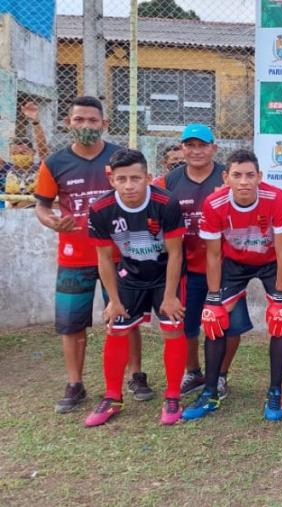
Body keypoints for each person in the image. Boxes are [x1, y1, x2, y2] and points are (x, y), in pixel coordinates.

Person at [34, 96, 150, 413]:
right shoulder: (54, 163)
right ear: (68, 123)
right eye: (79, 120)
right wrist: (52, 221)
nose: (86, 126)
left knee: (126, 318)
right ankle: (75, 384)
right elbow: (42, 206)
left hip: (119, 255)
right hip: (75, 256)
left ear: (104, 124)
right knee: (71, 324)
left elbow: (142, 195)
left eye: (92, 120)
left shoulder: (120, 158)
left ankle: (136, 375)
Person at [188, 149, 282, 422]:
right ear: (226, 178)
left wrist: (281, 297)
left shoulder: (276, 198)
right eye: (237, 175)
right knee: (214, 319)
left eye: (250, 175)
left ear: (260, 176)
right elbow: (213, 255)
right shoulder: (214, 203)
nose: (244, 181)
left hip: (271, 261)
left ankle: (274, 392)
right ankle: (211, 392)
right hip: (234, 264)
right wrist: (213, 298)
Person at [84, 149, 186, 427]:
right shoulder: (101, 209)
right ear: (112, 180)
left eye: (135, 178)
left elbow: (176, 253)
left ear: (148, 178)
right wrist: (113, 300)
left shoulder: (167, 203)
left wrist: (169, 296)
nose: (129, 185)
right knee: (116, 327)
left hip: (166, 274)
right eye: (122, 179)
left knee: (173, 329)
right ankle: (112, 397)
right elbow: (104, 258)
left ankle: (173, 397)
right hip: (130, 274)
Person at [153, 124, 253, 402]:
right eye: (190, 145)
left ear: (214, 148)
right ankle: (193, 371)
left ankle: (220, 374)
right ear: (182, 148)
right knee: (187, 326)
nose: (196, 151)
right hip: (185, 267)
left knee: (231, 326)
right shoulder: (168, 181)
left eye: (202, 145)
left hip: (227, 267)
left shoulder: (227, 177)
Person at [1, 101, 48, 209]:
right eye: (15, 153)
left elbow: (43, 149)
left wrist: (35, 122)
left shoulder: (40, 168)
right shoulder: (7, 169)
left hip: (36, 208)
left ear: (33, 152)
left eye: (23, 153)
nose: (19, 156)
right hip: (11, 211)